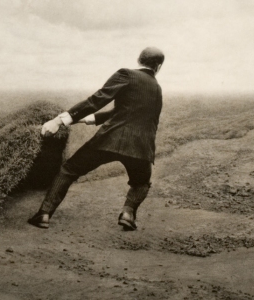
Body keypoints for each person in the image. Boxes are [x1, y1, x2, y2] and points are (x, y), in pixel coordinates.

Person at [28, 47, 164, 231]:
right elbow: (125, 112)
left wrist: (59, 120)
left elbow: (97, 100)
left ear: (139, 60)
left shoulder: (127, 74)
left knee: (69, 170)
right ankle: (128, 214)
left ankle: (44, 214)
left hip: (110, 140)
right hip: (141, 147)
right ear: (158, 66)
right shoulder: (157, 88)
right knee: (141, 183)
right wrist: (88, 119)